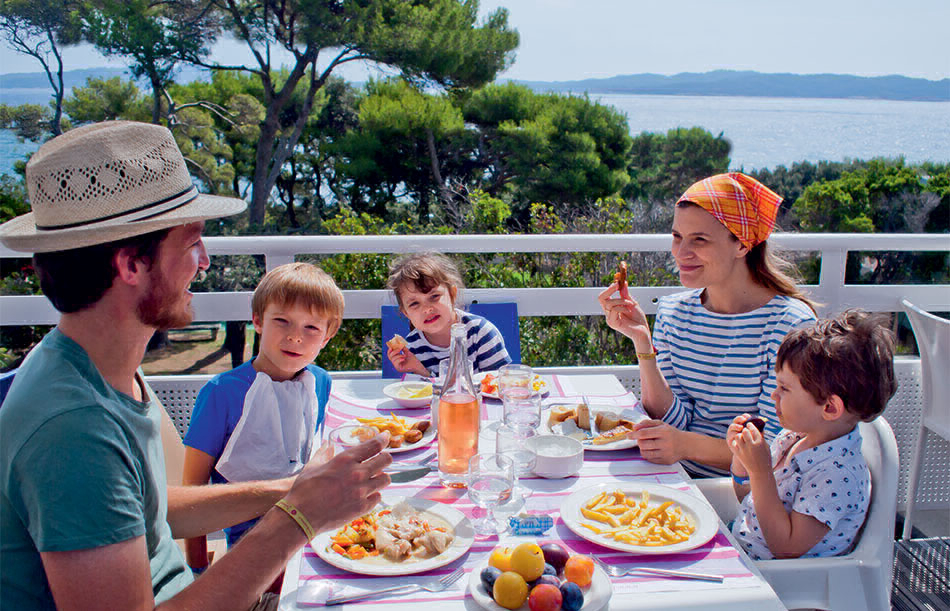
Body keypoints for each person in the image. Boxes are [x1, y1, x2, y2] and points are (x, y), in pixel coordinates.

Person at [0, 121, 391, 611]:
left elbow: (149, 509)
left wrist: (294, 488)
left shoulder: (96, 364)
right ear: (130, 265)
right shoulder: (71, 428)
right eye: (192, 243)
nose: (204, 261)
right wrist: (297, 518)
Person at [598, 172, 818, 477]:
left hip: (739, 494)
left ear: (742, 245)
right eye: (677, 237)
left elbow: (774, 449)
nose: (681, 253)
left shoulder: (791, 325)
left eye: (699, 240)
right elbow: (674, 420)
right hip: (673, 474)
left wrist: (683, 445)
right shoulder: (674, 311)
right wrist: (643, 344)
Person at [182, 262, 344, 565]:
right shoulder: (221, 393)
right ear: (257, 320)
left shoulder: (320, 381)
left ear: (327, 336)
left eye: (311, 327)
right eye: (282, 320)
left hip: (311, 525)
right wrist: (197, 568)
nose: (296, 337)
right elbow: (191, 492)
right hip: (251, 541)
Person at [727, 309, 897, 560]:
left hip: (781, 582)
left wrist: (761, 471)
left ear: (829, 408)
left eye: (784, 388)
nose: (774, 395)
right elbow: (753, 502)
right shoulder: (793, 438)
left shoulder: (837, 474)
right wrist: (743, 461)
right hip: (743, 551)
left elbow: (786, 548)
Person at [385, 252, 511, 376]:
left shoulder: (480, 333)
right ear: (406, 313)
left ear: (452, 294)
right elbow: (427, 394)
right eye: (414, 304)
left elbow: (499, 384)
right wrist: (418, 369)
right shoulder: (412, 348)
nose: (427, 309)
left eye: (434, 296)